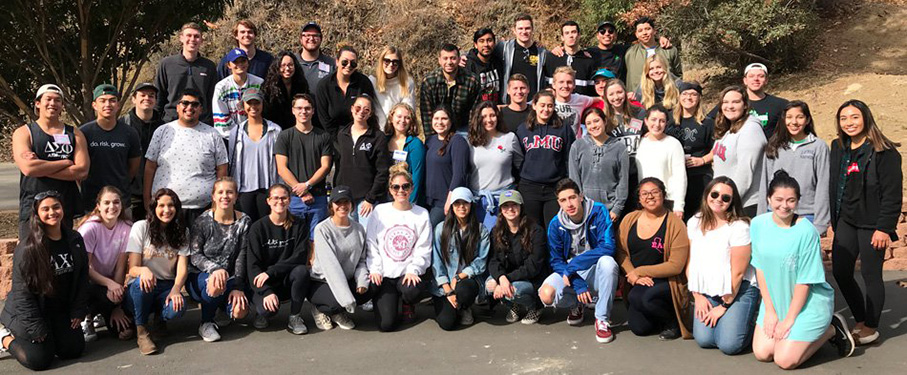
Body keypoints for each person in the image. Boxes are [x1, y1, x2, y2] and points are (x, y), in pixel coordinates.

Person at [751, 171, 855, 369]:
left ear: (798, 201)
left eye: (791, 200)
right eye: (779, 199)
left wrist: (789, 320)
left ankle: (831, 329)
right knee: (763, 353)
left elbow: (804, 281)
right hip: (775, 300)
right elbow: (760, 268)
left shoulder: (806, 231)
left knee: (784, 360)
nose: (784, 205)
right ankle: (798, 336)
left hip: (806, 303)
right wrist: (770, 311)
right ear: (768, 198)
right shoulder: (758, 224)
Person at [829, 100, 902, 346]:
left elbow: (893, 194)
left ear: (866, 118)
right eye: (844, 118)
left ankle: (871, 327)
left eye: (855, 117)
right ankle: (860, 319)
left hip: (873, 224)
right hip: (846, 220)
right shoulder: (838, 147)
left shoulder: (885, 151)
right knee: (840, 271)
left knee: (871, 275)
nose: (849, 123)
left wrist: (884, 227)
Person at [0, 191, 89, 370]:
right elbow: (21, 293)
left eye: (56, 207)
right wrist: (35, 328)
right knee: (39, 360)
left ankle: (53, 337)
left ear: (62, 209)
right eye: (45, 209)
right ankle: (4, 337)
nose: (52, 212)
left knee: (73, 349)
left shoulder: (74, 239)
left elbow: (82, 277)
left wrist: (78, 310)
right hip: (32, 312)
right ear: (37, 214)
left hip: (60, 310)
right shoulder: (28, 248)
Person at [538, 178, 619, 343]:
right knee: (546, 295)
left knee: (609, 263)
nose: (569, 204)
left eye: (572, 197)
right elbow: (556, 261)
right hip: (571, 274)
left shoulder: (599, 210)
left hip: (594, 269)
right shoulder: (555, 224)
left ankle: (602, 319)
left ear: (581, 196)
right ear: (558, 203)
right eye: (563, 200)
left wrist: (574, 264)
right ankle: (577, 303)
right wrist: (577, 283)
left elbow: (608, 247)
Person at [686, 177, 759, 355]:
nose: (719, 199)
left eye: (726, 198)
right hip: (708, 289)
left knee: (729, 345)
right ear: (707, 195)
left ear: (732, 202)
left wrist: (724, 307)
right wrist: (697, 295)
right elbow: (691, 262)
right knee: (705, 340)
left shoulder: (739, 227)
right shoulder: (695, 222)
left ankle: (753, 319)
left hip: (737, 289)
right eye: (715, 194)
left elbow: (738, 273)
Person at [615, 177, 692, 340]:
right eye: (644, 194)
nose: (650, 196)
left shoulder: (675, 224)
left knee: (640, 297)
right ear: (640, 199)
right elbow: (621, 251)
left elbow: (676, 266)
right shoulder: (630, 219)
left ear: (663, 195)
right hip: (638, 282)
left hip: (666, 281)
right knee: (640, 329)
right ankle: (656, 315)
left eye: (654, 192)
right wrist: (633, 275)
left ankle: (672, 321)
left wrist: (640, 271)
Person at [144, 89, 229, 228]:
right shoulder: (162, 131)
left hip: (203, 210)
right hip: (165, 210)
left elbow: (222, 168)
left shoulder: (212, 134)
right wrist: (147, 201)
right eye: (185, 103)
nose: (189, 107)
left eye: (195, 104)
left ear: (200, 109)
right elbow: (150, 166)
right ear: (177, 107)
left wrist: (216, 205)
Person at [13, 84, 89, 238]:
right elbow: (28, 168)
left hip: (63, 208)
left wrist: (41, 167)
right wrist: (66, 163)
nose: (53, 104)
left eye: (58, 100)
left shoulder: (74, 133)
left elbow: (82, 171)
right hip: (33, 209)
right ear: (38, 103)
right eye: (48, 99)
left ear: (62, 106)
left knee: (61, 256)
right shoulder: (24, 133)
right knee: (32, 257)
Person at [366, 165, 433, 331]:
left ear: (411, 188)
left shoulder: (421, 214)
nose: (400, 190)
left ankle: (407, 302)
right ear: (390, 189)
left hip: (407, 275)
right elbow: (371, 243)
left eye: (405, 186)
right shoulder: (380, 212)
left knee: (411, 291)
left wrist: (413, 270)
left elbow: (423, 248)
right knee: (386, 325)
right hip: (386, 275)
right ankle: (391, 302)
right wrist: (375, 269)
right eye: (396, 187)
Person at [124, 188, 190, 355]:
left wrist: (176, 290)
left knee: (178, 308)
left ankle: (160, 319)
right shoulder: (141, 227)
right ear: (153, 207)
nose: (166, 210)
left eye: (171, 205)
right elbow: (132, 268)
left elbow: (182, 268)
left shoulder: (183, 231)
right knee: (141, 284)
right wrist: (144, 270)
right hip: (141, 285)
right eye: (161, 205)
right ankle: (142, 332)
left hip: (166, 286)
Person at [186, 177, 251, 342]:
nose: (225, 196)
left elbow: (241, 255)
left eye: (230, 192)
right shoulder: (202, 221)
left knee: (240, 311)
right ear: (213, 196)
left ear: (236, 196)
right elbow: (195, 255)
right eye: (220, 192)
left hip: (229, 277)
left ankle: (221, 307)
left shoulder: (244, 222)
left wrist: (237, 286)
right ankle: (206, 322)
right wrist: (215, 269)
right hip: (201, 276)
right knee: (216, 283)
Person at [244, 184, 311, 334]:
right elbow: (252, 266)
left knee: (302, 271)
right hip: (264, 283)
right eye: (275, 198)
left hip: (286, 280)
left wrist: (271, 272)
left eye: (284, 198)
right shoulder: (257, 228)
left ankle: (295, 316)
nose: (279, 201)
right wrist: (266, 291)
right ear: (268, 201)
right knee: (267, 311)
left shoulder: (298, 224)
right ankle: (261, 311)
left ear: (289, 200)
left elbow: (299, 258)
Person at [758, 101, 830, 234]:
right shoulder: (774, 146)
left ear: (807, 120)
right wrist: (761, 218)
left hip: (806, 215)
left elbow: (823, 186)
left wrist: (821, 223)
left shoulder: (818, 147)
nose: (794, 122)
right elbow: (765, 183)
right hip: (775, 214)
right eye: (789, 117)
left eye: (800, 117)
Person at [309, 186, 371, 331]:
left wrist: (362, 281)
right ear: (331, 205)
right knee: (337, 303)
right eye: (338, 202)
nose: (342, 206)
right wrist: (347, 300)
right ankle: (321, 309)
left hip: (347, 278)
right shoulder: (322, 229)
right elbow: (331, 267)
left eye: (346, 202)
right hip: (322, 280)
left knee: (371, 287)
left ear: (352, 205)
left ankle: (338, 310)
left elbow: (361, 260)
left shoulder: (359, 229)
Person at [76, 187, 133, 342]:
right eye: (106, 203)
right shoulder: (90, 228)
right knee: (100, 294)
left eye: (116, 202)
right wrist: (110, 284)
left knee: (124, 332)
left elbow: (121, 267)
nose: (111, 207)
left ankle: (105, 312)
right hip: (88, 284)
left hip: (109, 285)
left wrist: (117, 304)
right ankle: (87, 317)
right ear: (98, 205)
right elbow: (84, 268)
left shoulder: (126, 227)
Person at [275, 93, 333, 238]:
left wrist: (307, 185)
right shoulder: (284, 136)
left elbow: (325, 166)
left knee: (317, 240)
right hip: (294, 199)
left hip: (318, 198)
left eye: (307, 108)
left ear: (313, 111)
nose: (303, 112)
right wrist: (301, 191)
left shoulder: (323, 136)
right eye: (299, 108)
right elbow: (281, 168)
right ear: (293, 110)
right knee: (294, 239)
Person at [432, 188, 491, 330]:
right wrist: (448, 290)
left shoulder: (480, 230)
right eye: (457, 203)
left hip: (467, 280)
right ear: (451, 206)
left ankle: (465, 307)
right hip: (444, 285)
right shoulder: (441, 229)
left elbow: (481, 261)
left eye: (465, 203)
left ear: (471, 205)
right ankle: (453, 307)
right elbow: (437, 262)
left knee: (464, 290)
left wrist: (459, 277)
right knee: (447, 323)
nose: (461, 207)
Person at [486, 190, 547, 325]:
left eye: (514, 204)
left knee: (515, 290)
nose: (510, 209)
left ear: (521, 207)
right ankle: (514, 306)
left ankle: (535, 307)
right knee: (489, 286)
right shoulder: (496, 231)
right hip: (508, 277)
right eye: (506, 206)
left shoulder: (535, 231)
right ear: (501, 210)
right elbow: (493, 260)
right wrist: (501, 278)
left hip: (531, 279)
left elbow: (533, 267)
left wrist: (506, 279)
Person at [80, 84, 142, 215]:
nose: (107, 104)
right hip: (91, 204)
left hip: (121, 203)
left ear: (118, 105)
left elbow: (133, 167)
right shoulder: (84, 132)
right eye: (102, 100)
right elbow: (79, 169)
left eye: (112, 100)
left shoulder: (129, 133)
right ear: (94, 105)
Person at [516, 91, 575, 226]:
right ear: (534, 105)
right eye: (542, 105)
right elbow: (517, 158)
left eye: (550, 106)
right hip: (529, 187)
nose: (546, 109)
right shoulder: (523, 129)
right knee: (532, 229)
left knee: (554, 228)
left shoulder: (563, 128)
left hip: (554, 187)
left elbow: (569, 157)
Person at [334, 95, 390, 227]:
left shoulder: (377, 137)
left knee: (367, 238)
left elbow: (382, 171)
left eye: (366, 110)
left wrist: (370, 198)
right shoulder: (342, 134)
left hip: (366, 200)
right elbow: (340, 166)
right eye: (358, 108)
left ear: (370, 114)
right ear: (352, 109)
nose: (361, 112)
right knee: (348, 236)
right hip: (346, 198)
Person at [227, 89, 282, 223]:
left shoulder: (275, 130)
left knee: (265, 226)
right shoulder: (236, 131)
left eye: (256, 103)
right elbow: (232, 162)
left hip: (267, 189)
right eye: (249, 103)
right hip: (244, 190)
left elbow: (280, 162)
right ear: (243, 105)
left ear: (262, 104)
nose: (253, 107)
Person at [712, 86, 766, 218]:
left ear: (745, 105)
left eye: (735, 102)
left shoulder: (750, 129)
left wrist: (727, 202)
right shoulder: (729, 129)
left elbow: (745, 173)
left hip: (744, 205)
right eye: (725, 102)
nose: (729, 106)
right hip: (726, 202)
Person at [468, 101, 524, 229]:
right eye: (484, 116)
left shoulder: (509, 138)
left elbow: (520, 165)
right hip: (478, 200)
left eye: (492, 115)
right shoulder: (470, 142)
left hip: (504, 200)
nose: (489, 120)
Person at [568, 107, 628, 221]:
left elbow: (623, 181)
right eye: (589, 123)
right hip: (585, 209)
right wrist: (579, 205)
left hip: (609, 211)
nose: (593, 126)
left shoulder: (619, 147)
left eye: (596, 121)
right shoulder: (578, 146)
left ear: (604, 121)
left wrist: (617, 208)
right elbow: (574, 178)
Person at [667, 81, 714, 220]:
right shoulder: (669, 120)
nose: (689, 97)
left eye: (693, 94)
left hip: (698, 175)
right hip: (673, 176)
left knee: (698, 216)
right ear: (679, 96)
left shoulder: (708, 122)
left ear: (699, 97)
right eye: (685, 93)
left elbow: (718, 148)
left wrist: (703, 160)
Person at [154, 23, 218, 124]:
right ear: (181, 38)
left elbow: (212, 99)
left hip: (201, 124)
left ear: (201, 40)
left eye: (196, 36)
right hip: (171, 123)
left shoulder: (209, 67)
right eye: (189, 35)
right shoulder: (167, 64)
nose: (192, 39)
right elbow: (159, 97)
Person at [708, 63, 789, 139]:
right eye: (751, 76)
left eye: (761, 76)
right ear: (745, 80)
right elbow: (709, 122)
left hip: (768, 152)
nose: (756, 79)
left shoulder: (780, 104)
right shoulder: (732, 103)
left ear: (766, 80)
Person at [602, 78, 645, 217]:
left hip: (638, 172)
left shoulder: (640, 113)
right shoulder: (605, 119)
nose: (616, 97)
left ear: (626, 93)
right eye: (611, 94)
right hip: (616, 175)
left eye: (619, 92)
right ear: (606, 97)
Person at [635, 105, 686, 218]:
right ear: (646, 121)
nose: (657, 124)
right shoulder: (640, 143)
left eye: (662, 121)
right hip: (644, 200)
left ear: (666, 123)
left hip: (667, 201)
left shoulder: (673, 144)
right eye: (653, 120)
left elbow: (680, 176)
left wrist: (679, 206)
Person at [122, 83, 164, 220]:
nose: (147, 98)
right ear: (133, 99)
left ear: (156, 100)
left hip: (158, 193)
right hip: (130, 193)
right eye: (142, 95)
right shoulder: (123, 125)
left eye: (151, 96)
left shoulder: (165, 128)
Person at [314, 45, 377, 138]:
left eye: (353, 63)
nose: (348, 66)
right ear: (337, 61)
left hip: (360, 136)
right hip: (332, 137)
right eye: (344, 62)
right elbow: (324, 119)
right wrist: (341, 140)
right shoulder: (324, 86)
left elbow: (369, 113)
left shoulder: (364, 83)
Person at [419, 44, 481, 134]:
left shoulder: (472, 81)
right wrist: (431, 139)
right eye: (445, 58)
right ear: (439, 60)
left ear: (459, 59)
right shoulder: (429, 82)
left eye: (453, 58)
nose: (449, 62)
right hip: (438, 127)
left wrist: (472, 135)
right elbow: (427, 115)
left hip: (463, 128)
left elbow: (475, 113)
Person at [425, 106, 471, 227]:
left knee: (431, 230)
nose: (439, 122)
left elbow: (459, 174)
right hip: (428, 199)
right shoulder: (430, 140)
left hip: (444, 201)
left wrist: (449, 200)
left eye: (444, 118)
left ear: (451, 122)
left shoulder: (457, 141)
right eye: (436, 118)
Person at [587, 20, 672, 83]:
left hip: (618, 96)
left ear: (615, 35)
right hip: (596, 96)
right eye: (602, 31)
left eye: (610, 31)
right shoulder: (589, 53)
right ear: (597, 36)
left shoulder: (624, 50)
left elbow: (645, 42)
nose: (607, 34)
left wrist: (659, 38)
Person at [212, 48, 265, 138]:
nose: (240, 64)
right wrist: (238, 135)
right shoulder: (221, 87)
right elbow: (221, 117)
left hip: (256, 135)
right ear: (229, 65)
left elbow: (263, 111)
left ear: (248, 63)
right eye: (235, 62)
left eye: (243, 61)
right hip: (229, 137)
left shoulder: (259, 83)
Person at [496, 14, 548, 102]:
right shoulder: (503, 48)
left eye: (527, 28)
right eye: (520, 28)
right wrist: (464, 57)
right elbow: (483, 51)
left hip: (533, 105)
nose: (524, 32)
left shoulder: (542, 53)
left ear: (532, 30)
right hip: (510, 104)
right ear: (514, 30)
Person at [624, 16, 682, 92]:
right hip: (639, 99)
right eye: (640, 30)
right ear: (636, 34)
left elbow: (678, 76)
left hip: (667, 97)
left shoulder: (669, 50)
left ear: (654, 31)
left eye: (648, 29)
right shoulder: (630, 53)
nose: (644, 33)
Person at [384, 103, 426, 205]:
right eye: (399, 116)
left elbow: (417, 175)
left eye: (407, 118)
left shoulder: (415, 144)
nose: (402, 120)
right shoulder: (383, 140)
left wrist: (409, 203)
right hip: (385, 198)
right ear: (391, 117)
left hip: (406, 199)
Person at [542, 21, 597, 96]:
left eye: (573, 32)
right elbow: (543, 85)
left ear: (579, 35)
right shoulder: (551, 58)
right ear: (562, 37)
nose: (571, 36)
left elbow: (592, 91)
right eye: (567, 33)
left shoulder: (588, 61)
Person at [369, 46, 416, 129]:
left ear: (399, 64)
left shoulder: (407, 83)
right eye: (387, 61)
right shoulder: (372, 81)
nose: (391, 65)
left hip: (399, 128)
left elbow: (408, 110)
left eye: (395, 62)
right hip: (377, 129)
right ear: (381, 61)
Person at [261, 51, 309, 129]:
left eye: (290, 65)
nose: (287, 68)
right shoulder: (268, 88)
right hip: (275, 130)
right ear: (277, 67)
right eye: (283, 65)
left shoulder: (302, 85)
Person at [551, 66, 602, 137]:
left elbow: (600, 99)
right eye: (561, 82)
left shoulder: (580, 99)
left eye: (569, 82)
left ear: (574, 85)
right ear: (553, 85)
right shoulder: (547, 101)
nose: (565, 86)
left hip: (576, 145)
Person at [296, 22, 336, 97]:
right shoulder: (292, 62)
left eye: (315, 35)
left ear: (321, 39)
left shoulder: (331, 64)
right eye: (307, 35)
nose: (311, 38)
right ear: (301, 39)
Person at [465, 28, 504, 103]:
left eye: (489, 40)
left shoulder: (498, 62)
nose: (486, 44)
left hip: (497, 110)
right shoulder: (468, 65)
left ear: (494, 43)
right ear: (475, 45)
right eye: (481, 41)